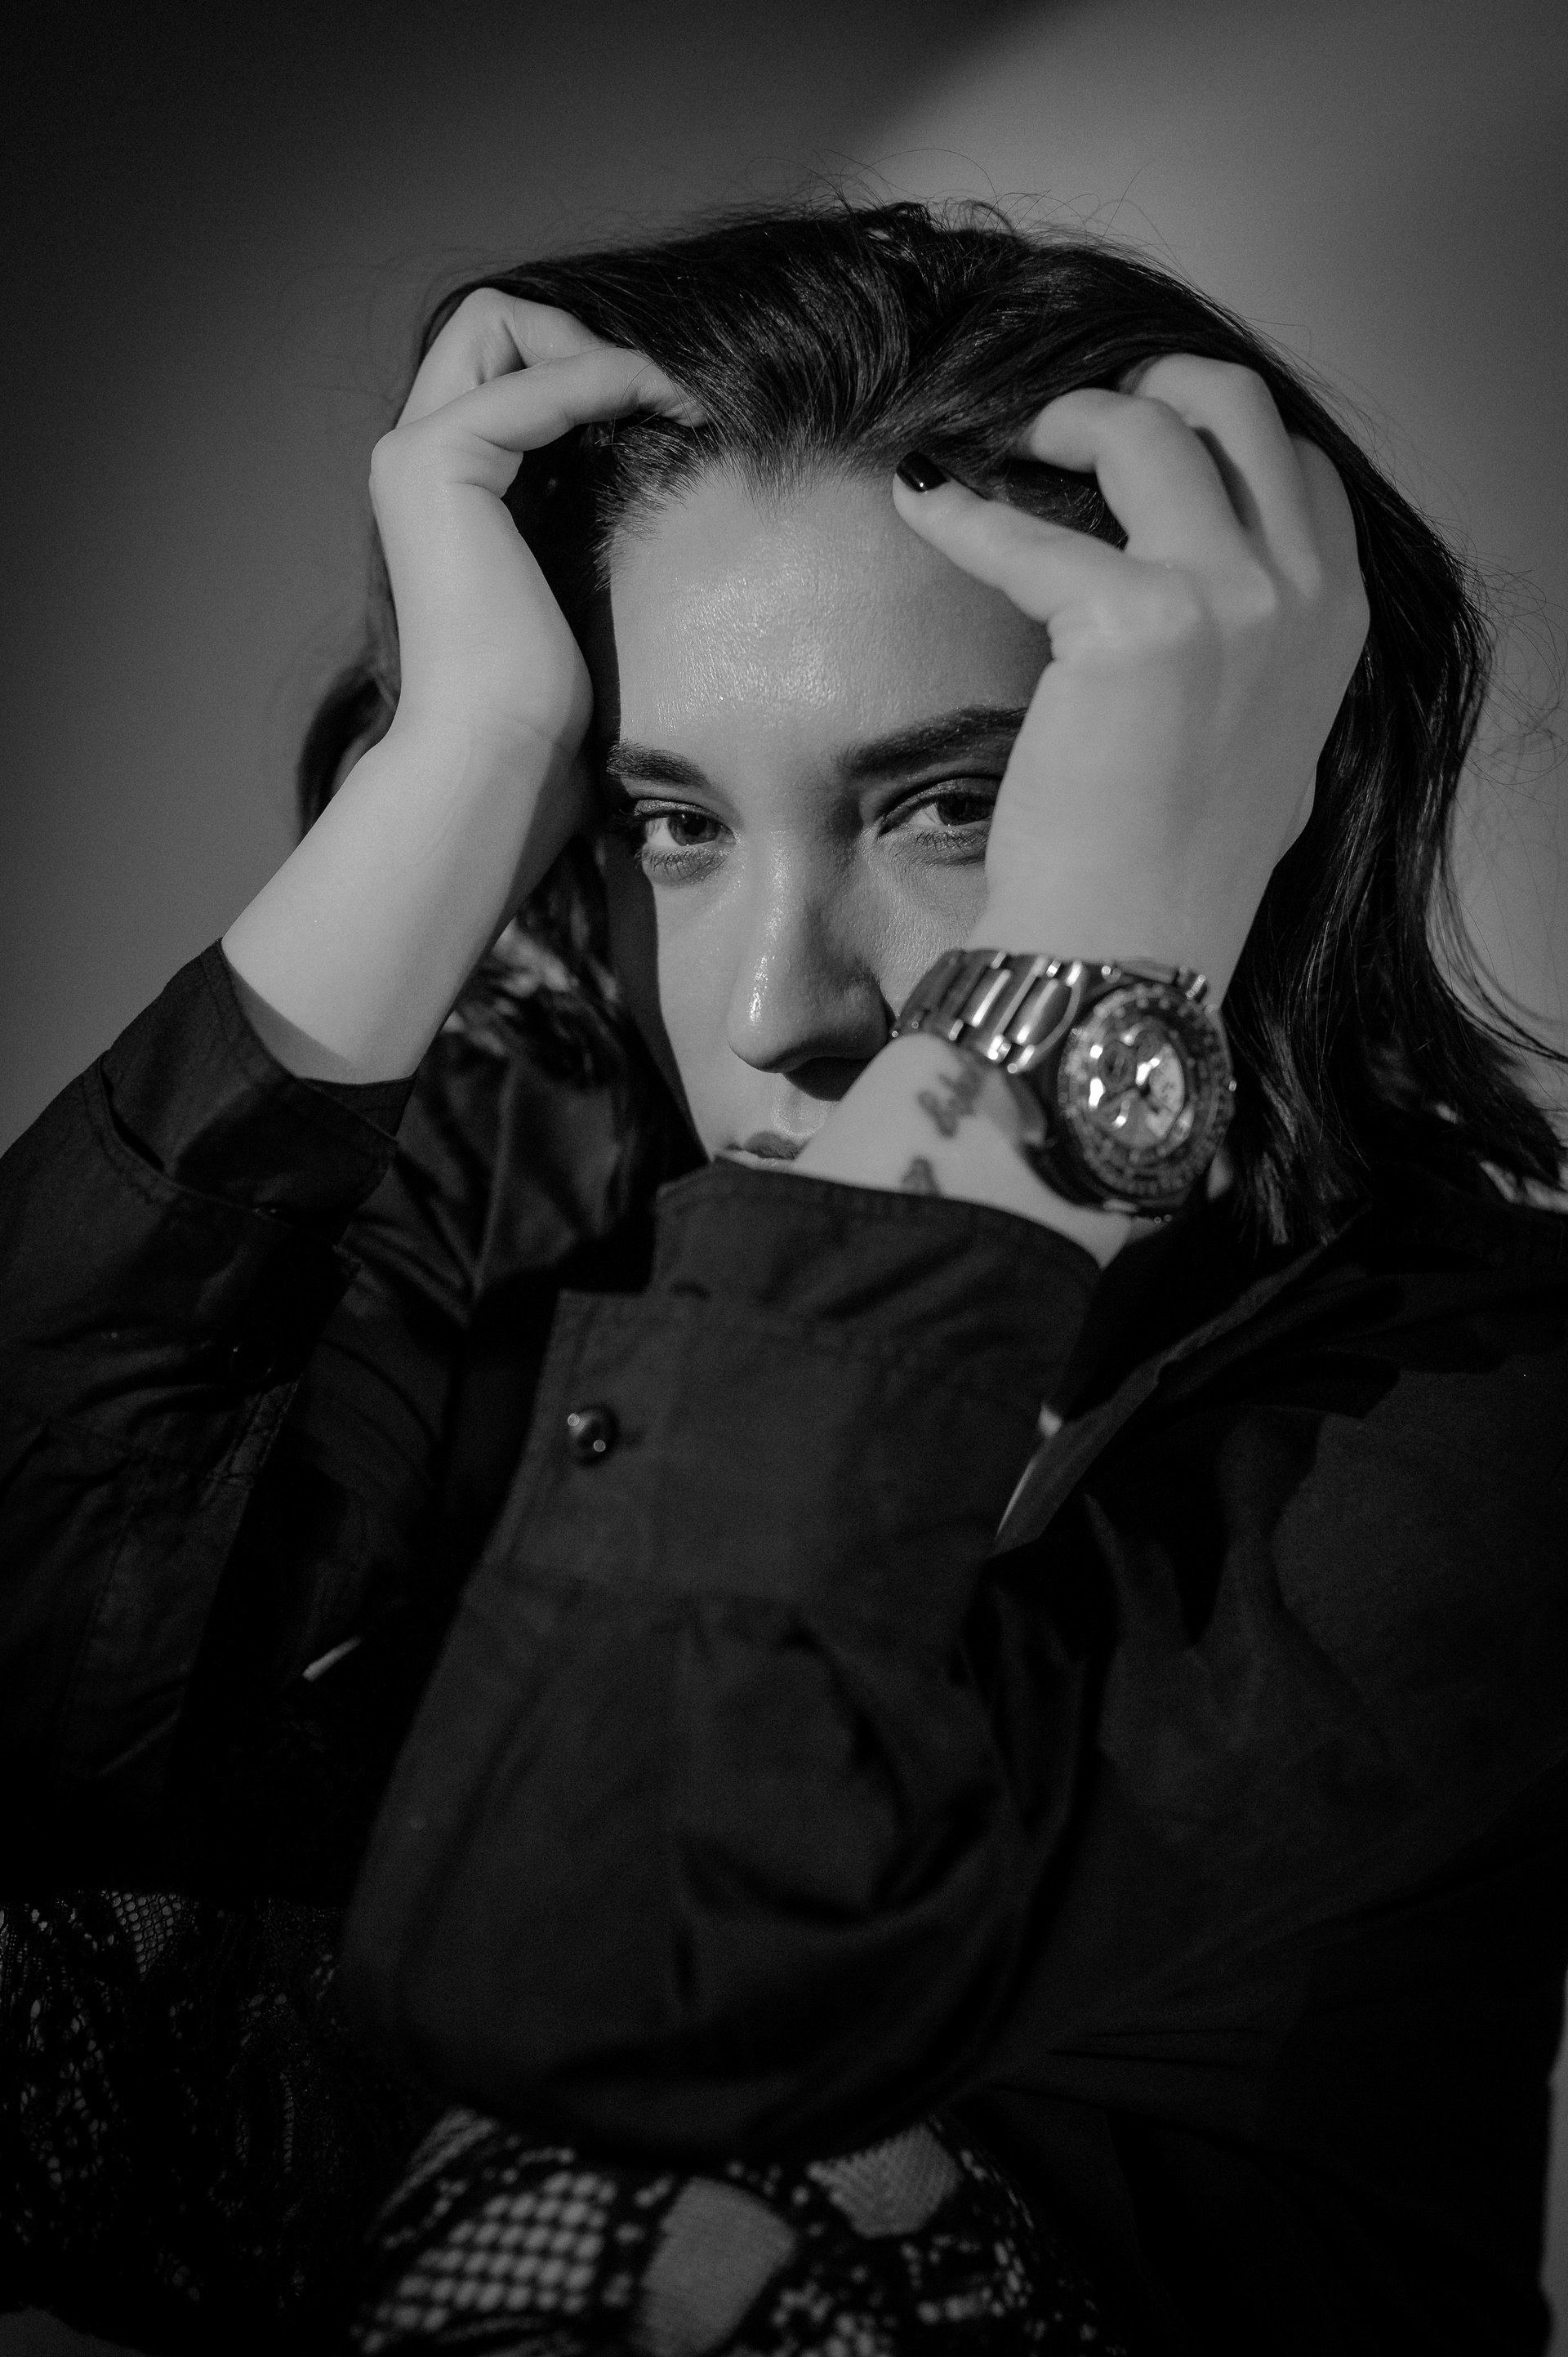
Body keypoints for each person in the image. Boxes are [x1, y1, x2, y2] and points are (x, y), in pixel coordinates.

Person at [0, 196, 1564, 2356]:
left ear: (1237, 813)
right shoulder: (535, 1183)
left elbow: (621, 1989)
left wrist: (1059, 1024)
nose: (770, 1007)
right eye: (674, 821)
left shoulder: (1475, 1409)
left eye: (954, 808)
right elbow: (38, 1717)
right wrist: (455, 761)